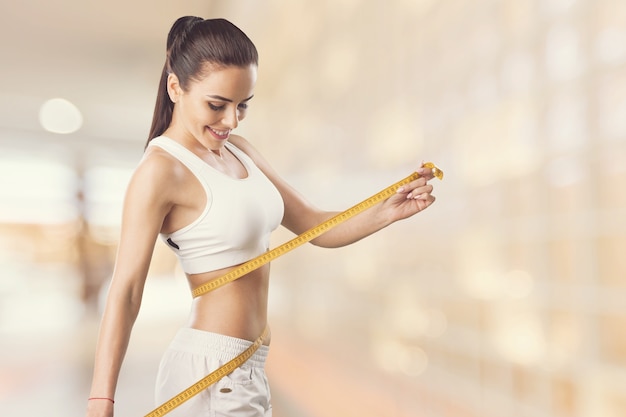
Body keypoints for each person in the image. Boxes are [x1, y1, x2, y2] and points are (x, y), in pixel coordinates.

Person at [85, 16, 437, 417]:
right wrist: (101, 400)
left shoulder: (241, 151)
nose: (230, 122)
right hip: (209, 373)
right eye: (217, 105)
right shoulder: (161, 171)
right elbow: (127, 290)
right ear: (175, 87)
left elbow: (314, 225)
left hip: (246, 367)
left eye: (242, 106)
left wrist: (386, 211)